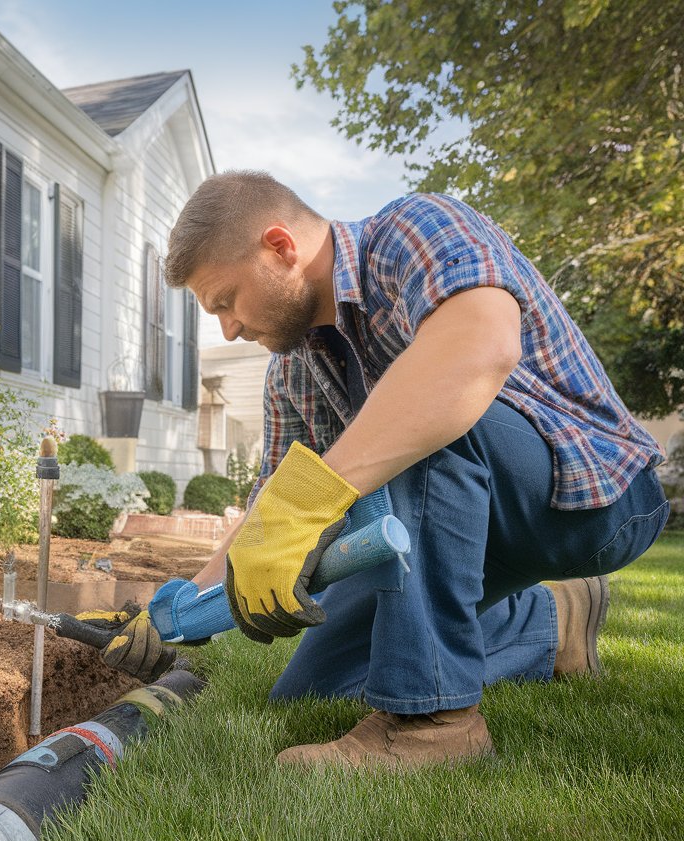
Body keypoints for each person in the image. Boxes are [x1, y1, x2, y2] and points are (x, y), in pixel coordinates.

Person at [88, 171, 668, 771]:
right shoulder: (294, 370)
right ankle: (551, 622)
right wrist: (177, 608)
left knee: (418, 418)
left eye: (225, 301)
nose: (228, 328)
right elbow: (274, 504)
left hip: (594, 495)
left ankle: (433, 725)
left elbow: (479, 351)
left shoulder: (412, 231)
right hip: (457, 525)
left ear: (280, 247)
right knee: (318, 686)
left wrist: (307, 506)